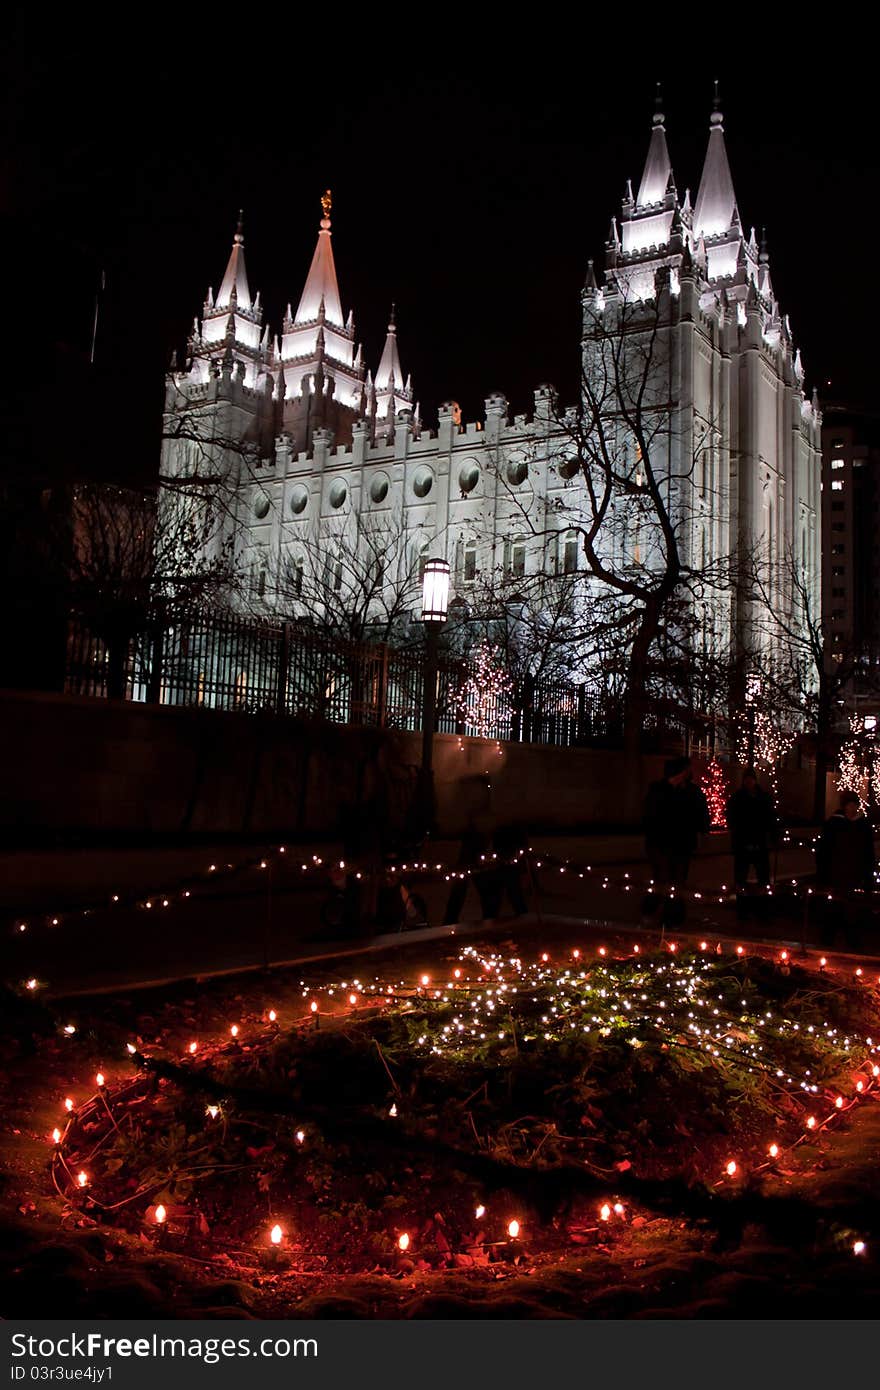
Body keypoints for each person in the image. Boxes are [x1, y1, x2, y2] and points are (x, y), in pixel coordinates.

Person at [642, 756, 711, 927]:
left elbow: (701, 814)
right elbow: (651, 813)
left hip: (682, 844)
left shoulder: (692, 792)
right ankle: (651, 911)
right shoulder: (659, 789)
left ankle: (673, 916)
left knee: (678, 882)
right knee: (661, 879)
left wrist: (702, 833)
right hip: (661, 843)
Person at [816, 791, 876, 949]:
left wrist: (868, 874)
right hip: (835, 873)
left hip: (854, 874)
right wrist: (823, 872)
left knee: (852, 909)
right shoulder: (834, 824)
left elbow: (868, 852)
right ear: (844, 806)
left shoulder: (863, 825)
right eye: (849, 805)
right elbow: (824, 850)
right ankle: (828, 939)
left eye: (854, 805)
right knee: (833, 907)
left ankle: (853, 940)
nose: (852, 808)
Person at [725, 769, 779, 904]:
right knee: (741, 875)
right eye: (746, 779)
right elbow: (731, 818)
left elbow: (771, 818)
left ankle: (763, 903)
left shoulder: (764, 797)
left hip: (759, 841)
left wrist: (773, 835)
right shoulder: (737, 797)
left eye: (751, 779)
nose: (749, 781)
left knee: (763, 875)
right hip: (743, 841)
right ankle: (742, 903)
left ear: (755, 780)